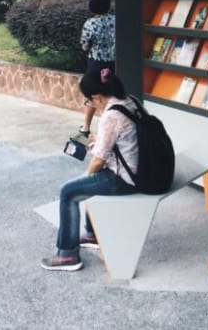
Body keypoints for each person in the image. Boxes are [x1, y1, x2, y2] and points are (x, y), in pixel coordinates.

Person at [41, 67, 138, 271]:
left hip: (126, 178)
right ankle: (93, 234)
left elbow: (98, 161)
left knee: (69, 191)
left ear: (97, 97)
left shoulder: (111, 116)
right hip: (139, 169)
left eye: (88, 101)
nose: (89, 105)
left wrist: (86, 175)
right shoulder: (130, 100)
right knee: (89, 182)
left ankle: (67, 255)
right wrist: (99, 139)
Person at [79, 0, 116, 135]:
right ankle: (108, 129)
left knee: (92, 95)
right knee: (110, 95)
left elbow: (85, 46)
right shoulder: (116, 20)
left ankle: (86, 127)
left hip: (96, 64)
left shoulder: (90, 23)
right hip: (113, 63)